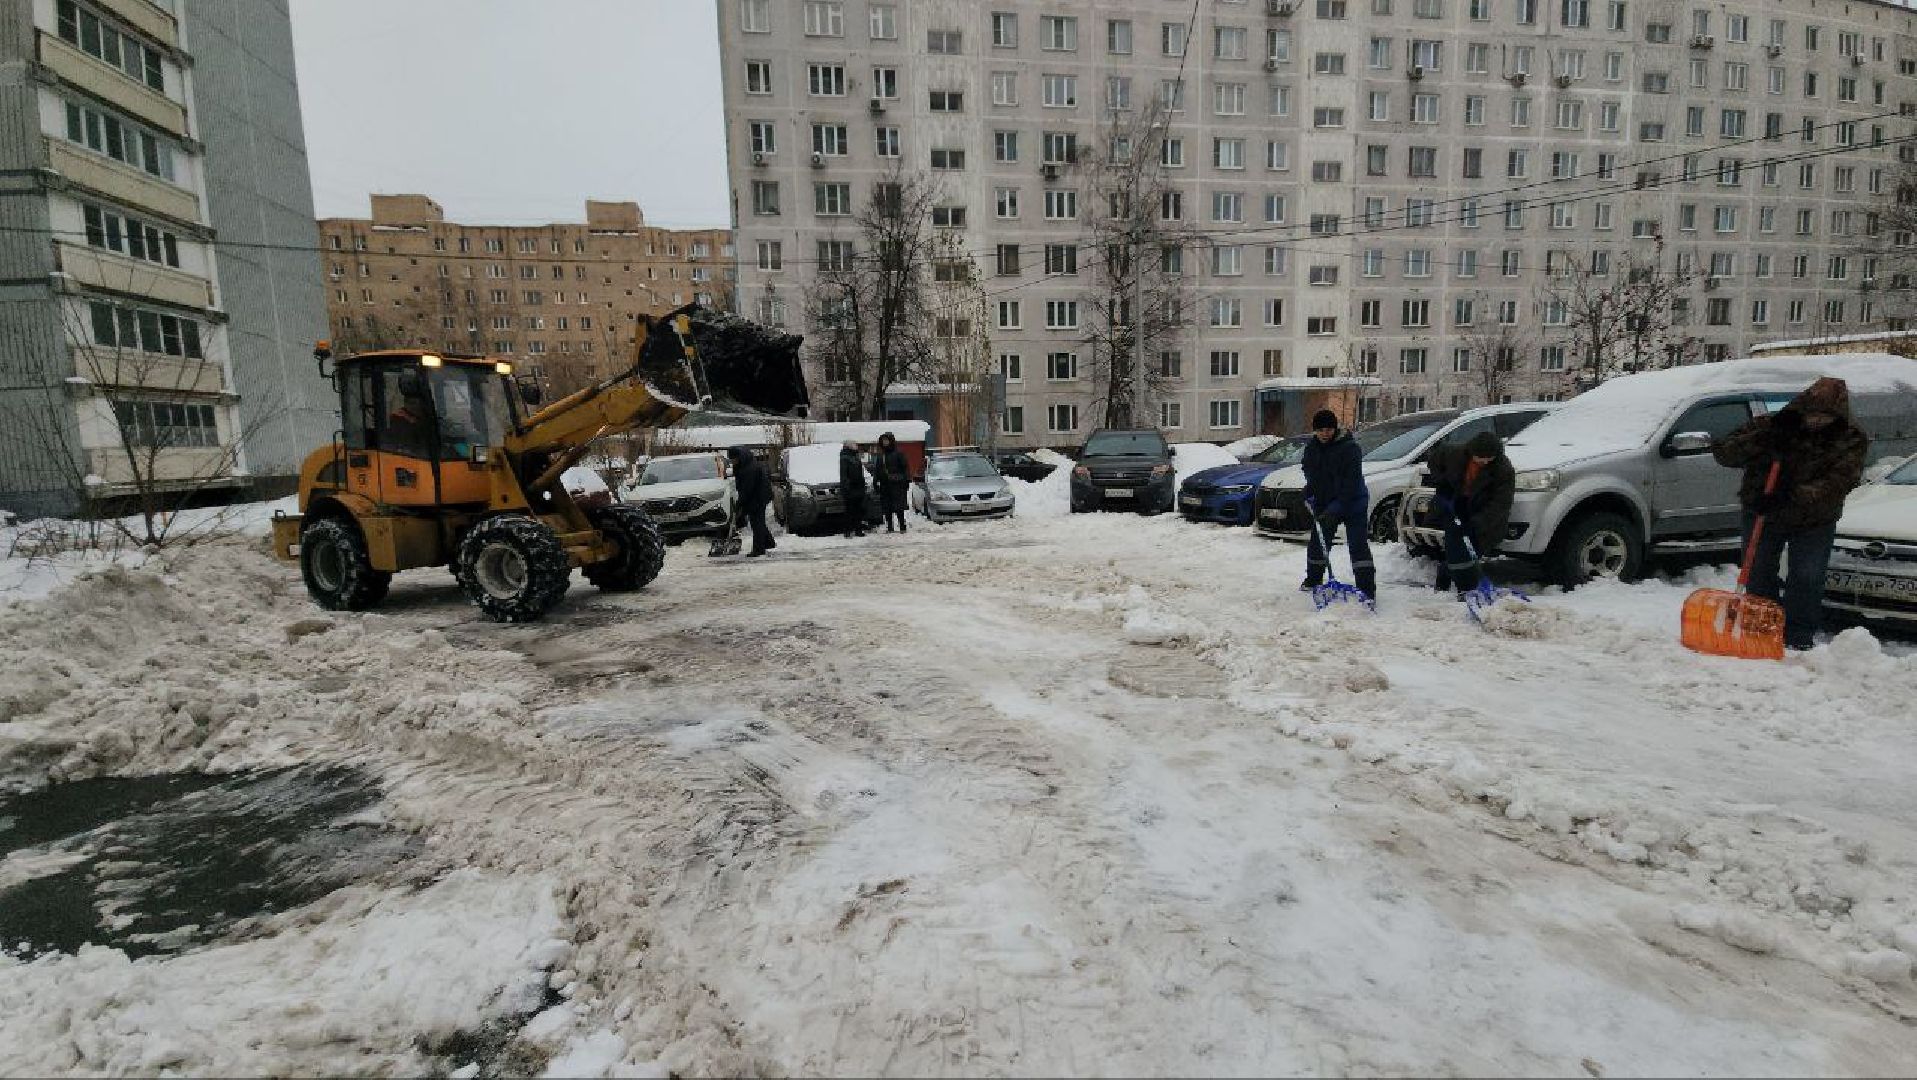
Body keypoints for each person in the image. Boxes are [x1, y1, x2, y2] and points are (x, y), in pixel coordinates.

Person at [1712, 377, 1870, 652]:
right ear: (1802, 408)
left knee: (1807, 576)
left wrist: (1789, 494)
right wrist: (1766, 438)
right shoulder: (1773, 424)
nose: (1817, 422)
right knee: (1758, 572)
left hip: (1813, 519)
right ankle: (1763, 627)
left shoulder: (1850, 438)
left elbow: (1840, 481)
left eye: (1826, 417)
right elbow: (1726, 454)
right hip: (1763, 511)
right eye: (1813, 414)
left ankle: (1797, 636)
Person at [1428, 431, 1516, 598]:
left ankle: (1450, 573)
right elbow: (1434, 459)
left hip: (1481, 511)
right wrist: (1441, 483)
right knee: (1455, 543)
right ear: (1471, 452)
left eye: (1488, 458)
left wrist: (1476, 523)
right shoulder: (1453, 453)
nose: (1483, 462)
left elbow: (1500, 504)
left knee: (1472, 548)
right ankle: (1465, 589)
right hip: (1454, 502)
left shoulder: (1503, 470)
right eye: (1479, 458)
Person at [1299, 408, 1375, 602]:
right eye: (1321, 429)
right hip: (1327, 502)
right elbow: (1312, 474)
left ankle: (1367, 590)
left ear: (1335, 429)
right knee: (1318, 542)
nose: (1325, 433)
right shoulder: (1311, 449)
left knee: (1358, 545)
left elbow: (1350, 483)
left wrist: (1336, 507)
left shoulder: (1349, 448)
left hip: (1353, 502)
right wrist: (1310, 491)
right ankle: (1313, 580)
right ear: (1315, 430)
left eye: (1329, 429)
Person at [727, 447, 776, 557]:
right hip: (757, 496)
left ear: (739, 457)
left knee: (756, 523)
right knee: (758, 521)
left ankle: (758, 549)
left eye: (733, 459)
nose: (732, 462)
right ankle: (769, 542)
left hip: (759, 497)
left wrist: (739, 504)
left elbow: (746, 489)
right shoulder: (744, 464)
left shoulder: (749, 469)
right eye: (730, 460)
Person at [874, 432, 911, 534]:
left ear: (891, 441)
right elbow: (877, 470)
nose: (885, 442)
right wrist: (875, 481)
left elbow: (905, 468)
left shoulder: (898, 453)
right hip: (885, 485)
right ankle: (890, 527)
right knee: (887, 508)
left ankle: (902, 526)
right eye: (883, 440)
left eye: (886, 440)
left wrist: (906, 481)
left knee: (899, 507)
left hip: (897, 485)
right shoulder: (881, 455)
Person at [838, 440, 870, 539]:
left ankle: (858, 530)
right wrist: (847, 487)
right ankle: (847, 531)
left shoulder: (855, 457)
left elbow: (860, 473)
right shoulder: (845, 458)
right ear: (848, 446)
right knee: (850, 511)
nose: (856, 446)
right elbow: (844, 475)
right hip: (851, 488)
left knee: (859, 510)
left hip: (858, 487)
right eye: (854, 445)